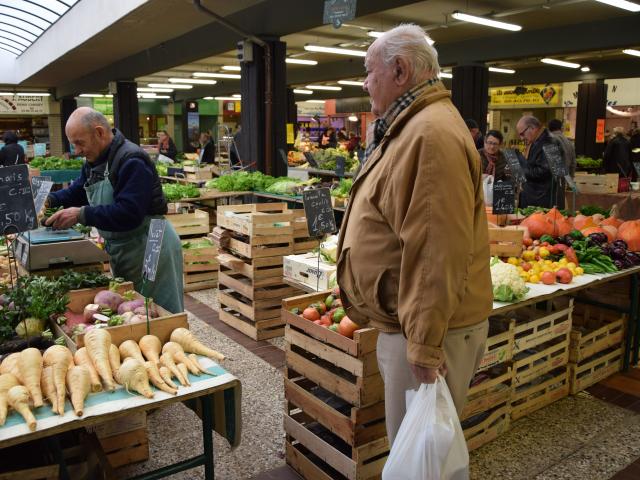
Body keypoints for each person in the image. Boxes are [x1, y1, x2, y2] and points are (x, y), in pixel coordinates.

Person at [337, 24, 492, 446]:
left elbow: (436, 251)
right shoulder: (413, 125)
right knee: (416, 451)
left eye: (369, 72)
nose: (365, 83)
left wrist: (424, 346)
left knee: (419, 456)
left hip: (423, 332)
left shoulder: (429, 134)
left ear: (401, 71)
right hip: (411, 324)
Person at [45, 107, 184, 313]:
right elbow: (78, 191)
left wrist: (81, 214)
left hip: (151, 243)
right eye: (73, 144)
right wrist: (49, 200)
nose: (76, 150)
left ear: (99, 132)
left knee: (158, 312)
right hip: (123, 247)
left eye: (79, 143)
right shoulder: (94, 161)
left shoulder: (131, 160)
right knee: (128, 308)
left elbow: (129, 212)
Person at [517, 115, 565, 209]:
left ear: (532, 128)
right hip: (537, 201)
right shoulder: (538, 141)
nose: (521, 138)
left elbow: (544, 172)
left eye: (522, 134)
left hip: (543, 204)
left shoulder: (550, 142)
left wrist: (520, 166)